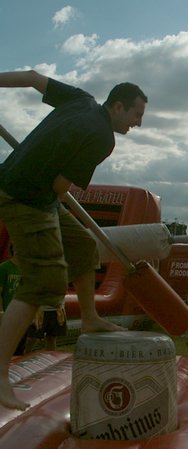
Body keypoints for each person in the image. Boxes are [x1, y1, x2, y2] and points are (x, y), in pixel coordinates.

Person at [0, 70, 147, 410]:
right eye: (137, 115)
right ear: (119, 106)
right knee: (44, 282)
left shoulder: (81, 99)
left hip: (31, 190)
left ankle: (91, 318)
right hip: (25, 198)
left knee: (82, 244)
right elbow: (59, 188)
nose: (138, 123)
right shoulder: (101, 138)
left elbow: (35, 79)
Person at [0, 258, 27, 355]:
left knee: (20, 349)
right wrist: (2, 312)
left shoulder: (26, 268)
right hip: (8, 314)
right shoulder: (4, 268)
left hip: (22, 315)